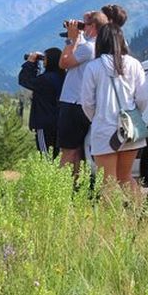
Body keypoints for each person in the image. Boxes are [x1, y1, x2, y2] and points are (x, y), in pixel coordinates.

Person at [81, 23, 148, 202]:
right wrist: (133, 116)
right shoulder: (135, 64)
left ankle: (110, 225)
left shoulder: (93, 67)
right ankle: (139, 216)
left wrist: (96, 118)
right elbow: (142, 98)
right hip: (131, 128)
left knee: (108, 182)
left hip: (104, 128)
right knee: (125, 178)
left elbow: (87, 103)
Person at [57, 10, 108, 183]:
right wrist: (78, 37)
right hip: (86, 103)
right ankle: (75, 187)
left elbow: (63, 62)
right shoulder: (98, 47)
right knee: (78, 150)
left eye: (84, 24)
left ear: (93, 27)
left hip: (73, 102)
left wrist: (71, 39)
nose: (81, 27)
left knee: (68, 151)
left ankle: (61, 190)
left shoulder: (88, 47)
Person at [18, 47, 65, 159]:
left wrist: (30, 62)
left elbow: (24, 80)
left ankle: (48, 176)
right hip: (59, 122)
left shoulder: (45, 80)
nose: (43, 61)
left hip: (44, 124)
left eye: (45, 59)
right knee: (56, 155)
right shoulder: (63, 77)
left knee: (45, 156)